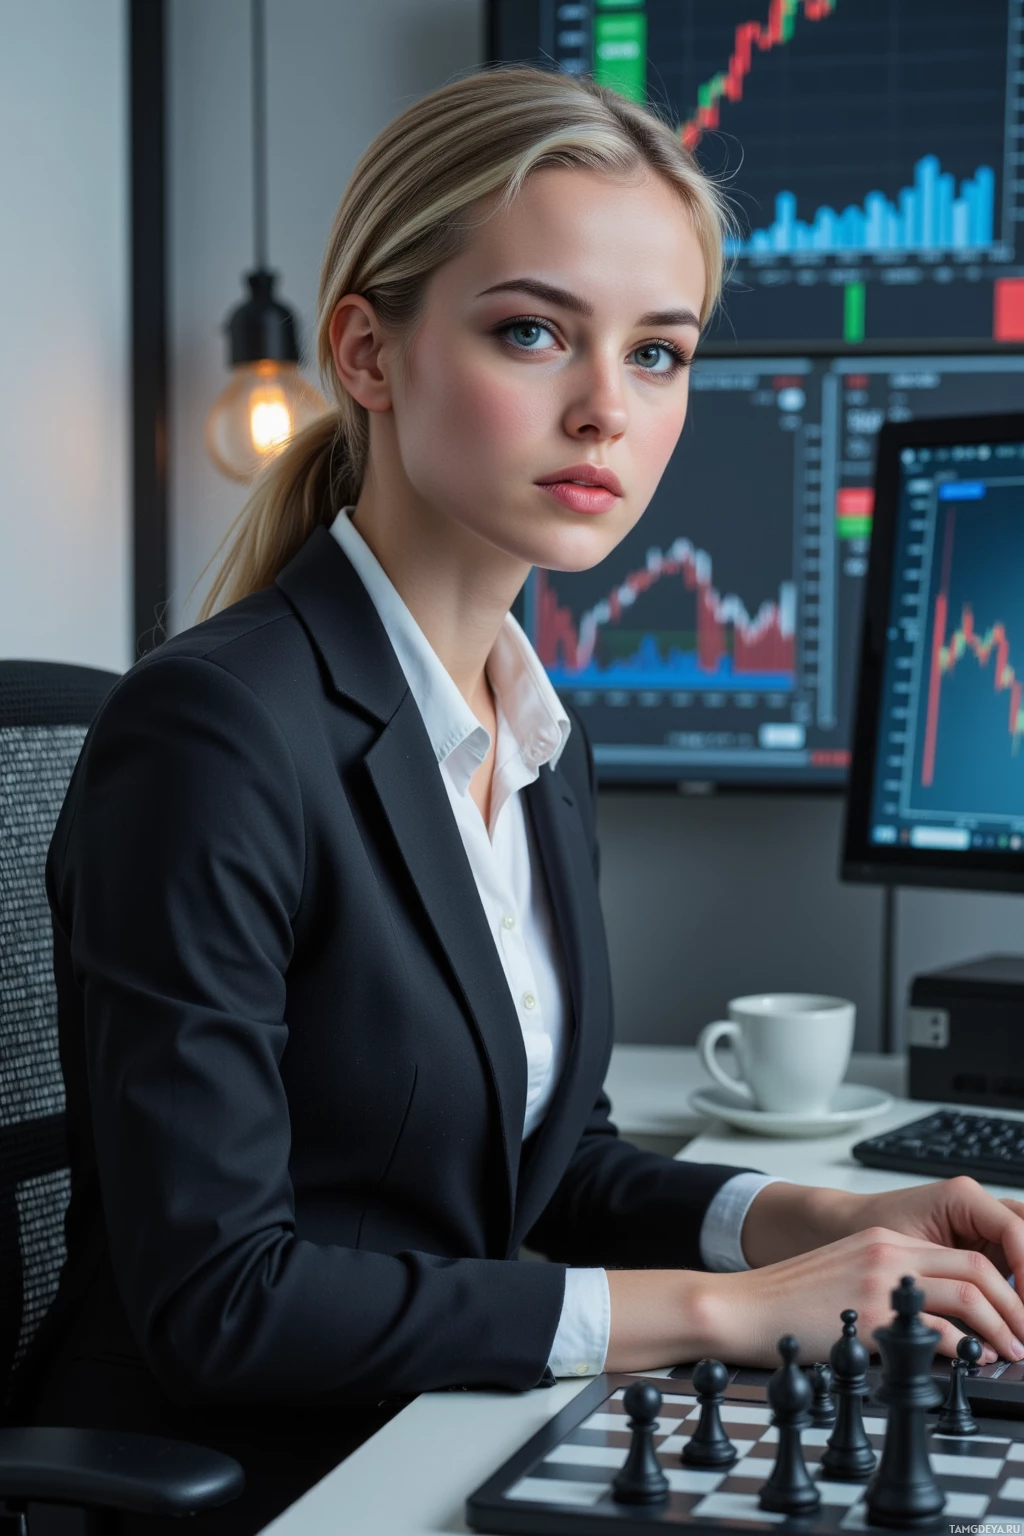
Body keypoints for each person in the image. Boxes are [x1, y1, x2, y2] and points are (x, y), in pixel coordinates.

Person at [15, 62, 1024, 1535]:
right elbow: (224, 1302)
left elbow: (551, 1170)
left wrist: (813, 1222)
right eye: (534, 332)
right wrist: (727, 1313)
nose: (608, 410)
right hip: (259, 1479)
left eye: (662, 353)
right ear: (367, 350)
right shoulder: (216, 732)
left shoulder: (535, 731)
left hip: (443, 1418)